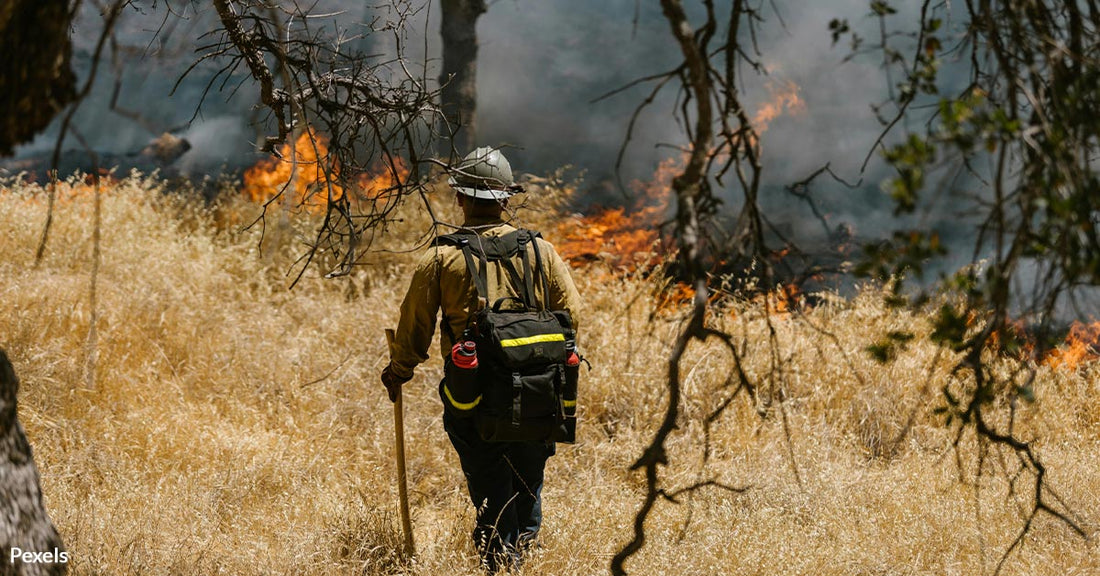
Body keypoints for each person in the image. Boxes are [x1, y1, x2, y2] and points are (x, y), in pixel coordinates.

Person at [380, 146, 582, 571]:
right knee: (527, 491)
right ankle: (521, 558)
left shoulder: (442, 258)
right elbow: (572, 316)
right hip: (540, 396)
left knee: (492, 494)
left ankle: (501, 563)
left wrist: (398, 370)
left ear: (459, 198)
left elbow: (414, 329)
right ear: (506, 199)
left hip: (474, 399)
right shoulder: (540, 252)